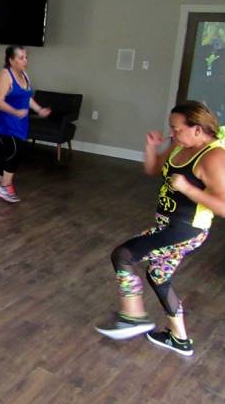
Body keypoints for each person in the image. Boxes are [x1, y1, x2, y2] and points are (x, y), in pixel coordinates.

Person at [95, 101, 225, 357]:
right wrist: (151, 148)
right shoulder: (180, 145)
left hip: (187, 230)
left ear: (197, 129)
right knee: (158, 274)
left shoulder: (214, 157)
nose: (172, 134)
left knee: (123, 254)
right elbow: (154, 169)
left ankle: (133, 316)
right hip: (167, 224)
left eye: (176, 129)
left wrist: (189, 190)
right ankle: (179, 338)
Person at [0, 45, 51, 203]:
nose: (25, 60)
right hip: (0, 121)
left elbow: (26, 97)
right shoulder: (4, 75)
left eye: (26, 57)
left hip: (18, 122)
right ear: (11, 60)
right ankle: (6, 187)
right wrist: (15, 112)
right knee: (15, 150)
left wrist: (39, 109)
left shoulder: (24, 75)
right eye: (21, 58)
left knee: (8, 152)